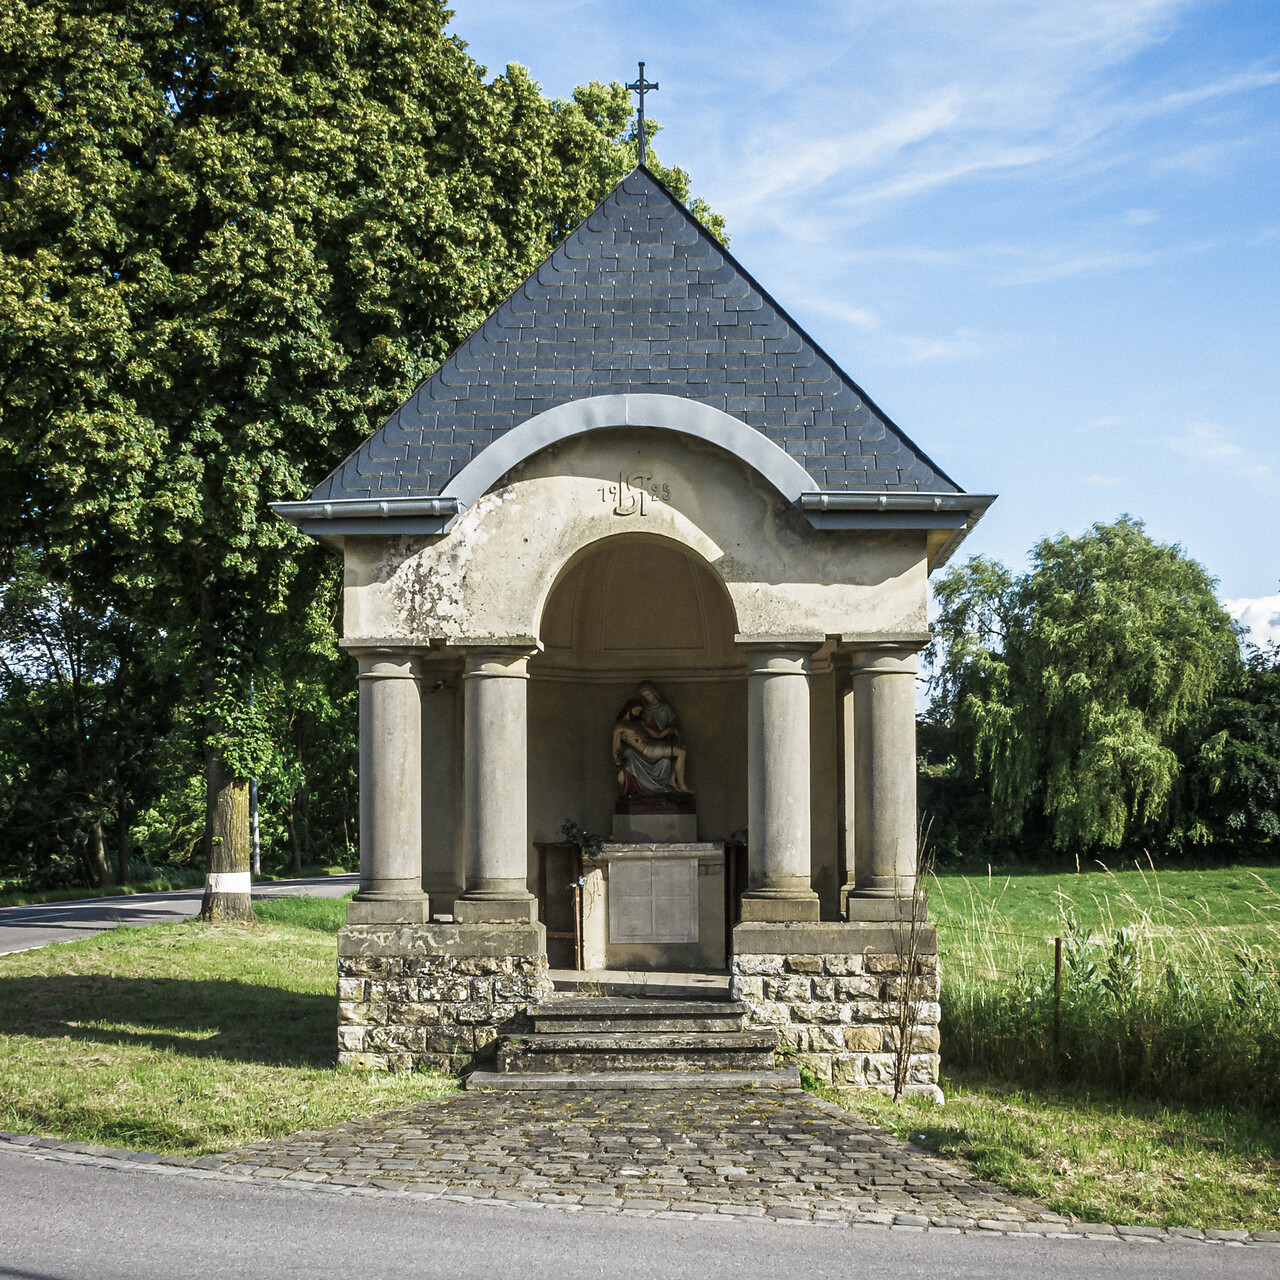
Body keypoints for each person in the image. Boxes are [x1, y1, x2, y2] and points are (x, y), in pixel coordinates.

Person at [612, 697, 691, 797]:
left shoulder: (638, 722)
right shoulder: (620, 726)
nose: (638, 713)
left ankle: (672, 780)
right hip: (648, 750)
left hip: (653, 745)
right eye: (637, 710)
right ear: (630, 708)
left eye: (640, 711)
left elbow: (655, 734)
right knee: (681, 752)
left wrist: (668, 730)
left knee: (681, 748)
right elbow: (616, 747)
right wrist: (619, 766)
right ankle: (681, 785)